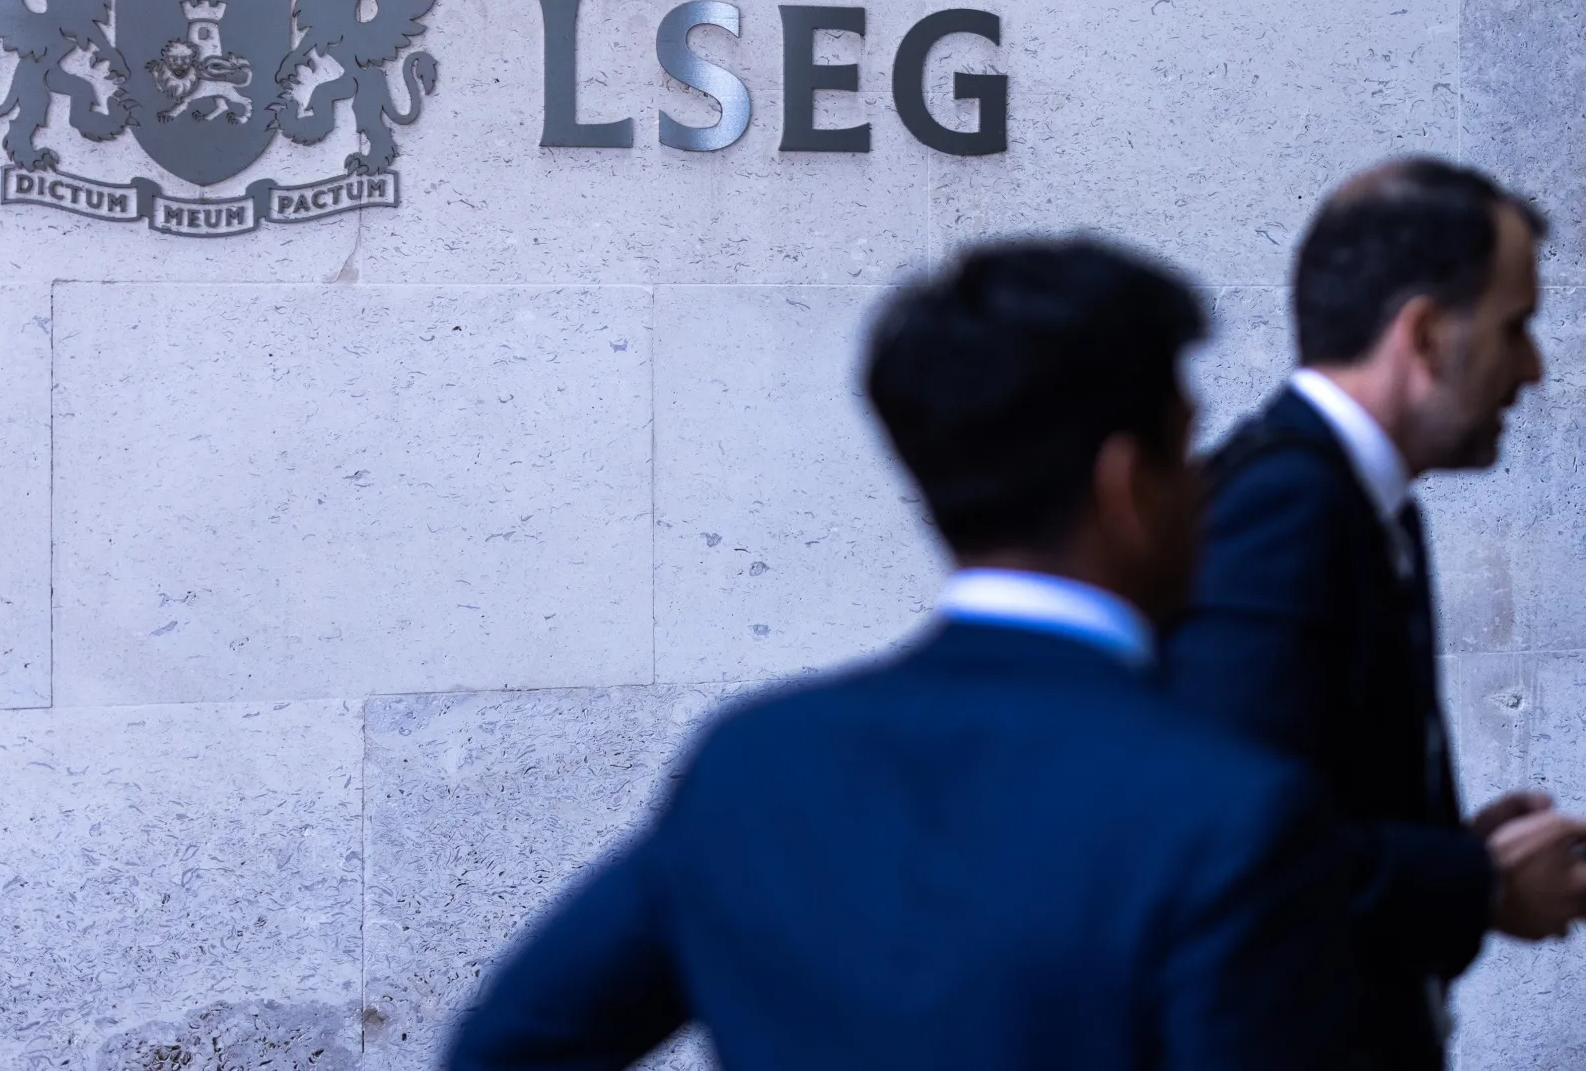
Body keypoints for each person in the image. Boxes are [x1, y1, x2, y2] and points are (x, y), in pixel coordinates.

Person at [448, 239, 1348, 1071]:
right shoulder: (1229, 813)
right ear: (1126, 486)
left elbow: (507, 1051)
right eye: (1188, 452)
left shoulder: (756, 765)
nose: (1205, 490)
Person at [1164, 158, 1586, 1070]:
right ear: (1421, 334)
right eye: (1516, 328)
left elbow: (1299, 802)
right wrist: (1478, 883)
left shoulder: (1362, 500)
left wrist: (1453, 851)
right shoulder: (1286, 507)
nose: (1533, 370)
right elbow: (1232, 848)